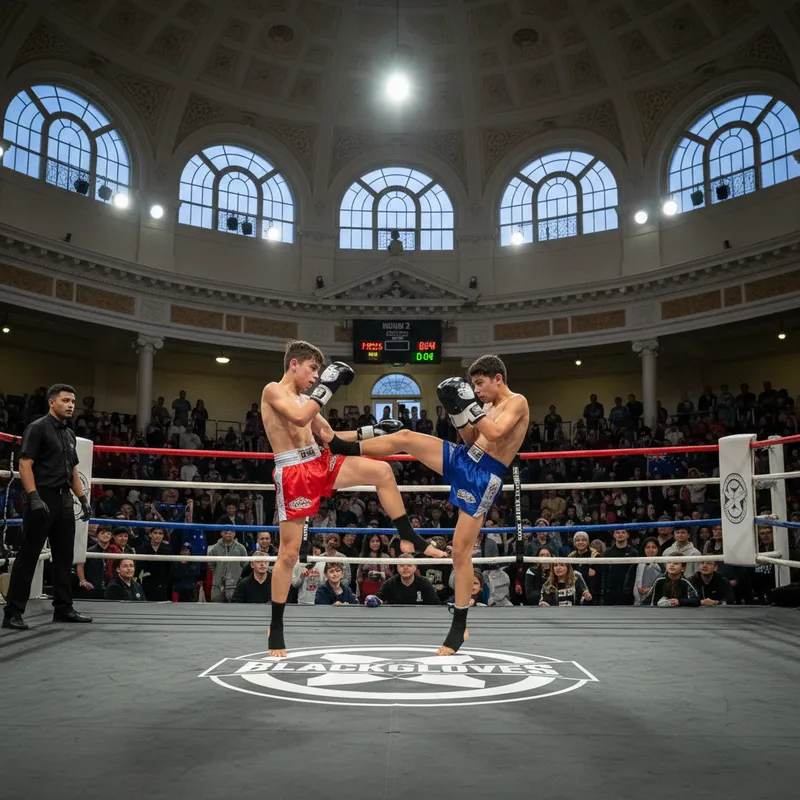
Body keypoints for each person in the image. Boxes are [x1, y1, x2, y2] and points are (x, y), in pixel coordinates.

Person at [261, 341, 447, 657]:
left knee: (383, 472)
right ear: (294, 364)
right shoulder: (273, 391)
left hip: (319, 459)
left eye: (320, 372)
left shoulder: (308, 398)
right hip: (293, 469)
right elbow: (299, 418)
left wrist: (373, 431)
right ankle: (276, 627)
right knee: (290, 553)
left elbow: (333, 439)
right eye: (313, 369)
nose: (315, 376)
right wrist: (329, 385)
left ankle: (408, 537)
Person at [357, 354, 529, 653]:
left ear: (497, 378)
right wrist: (458, 413)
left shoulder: (517, 402)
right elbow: (472, 438)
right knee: (407, 437)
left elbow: (497, 433)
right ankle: (344, 445)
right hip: (466, 459)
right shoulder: (485, 405)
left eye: (479, 384)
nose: (476, 391)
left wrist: (470, 407)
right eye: (473, 386)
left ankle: (459, 628)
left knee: (461, 551)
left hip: (485, 475)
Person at [2, 384, 93, 631]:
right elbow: (24, 464)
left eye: (73, 401)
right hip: (42, 497)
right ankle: (12, 613)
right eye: (65, 400)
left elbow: (73, 470)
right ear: (52, 402)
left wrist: (82, 498)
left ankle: (63, 609)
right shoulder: (38, 427)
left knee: (64, 557)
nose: (71, 404)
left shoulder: (69, 433)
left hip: (64, 500)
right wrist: (33, 497)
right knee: (28, 556)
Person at [366, 554, 440, 605]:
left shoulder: (424, 583)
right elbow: (378, 599)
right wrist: (372, 600)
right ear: (397, 567)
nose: (405, 568)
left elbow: (435, 604)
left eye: (409, 565)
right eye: (401, 565)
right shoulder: (390, 583)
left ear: (415, 567)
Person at [208, 529, 248, 602]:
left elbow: (245, 565)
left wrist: (239, 577)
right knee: (216, 607)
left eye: (231, 532)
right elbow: (211, 564)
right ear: (221, 533)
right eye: (226, 532)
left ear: (235, 534)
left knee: (234, 609)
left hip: (235, 584)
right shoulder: (215, 548)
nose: (228, 534)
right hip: (218, 585)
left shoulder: (241, 548)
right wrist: (217, 574)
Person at [625, 537, 663, 605]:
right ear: (644, 549)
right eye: (648, 547)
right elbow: (628, 583)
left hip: (656, 602)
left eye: (654, 547)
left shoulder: (663, 565)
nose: (651, 550)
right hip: (637, 603)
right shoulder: (637, 563)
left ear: (658, 549)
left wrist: (650, 590)